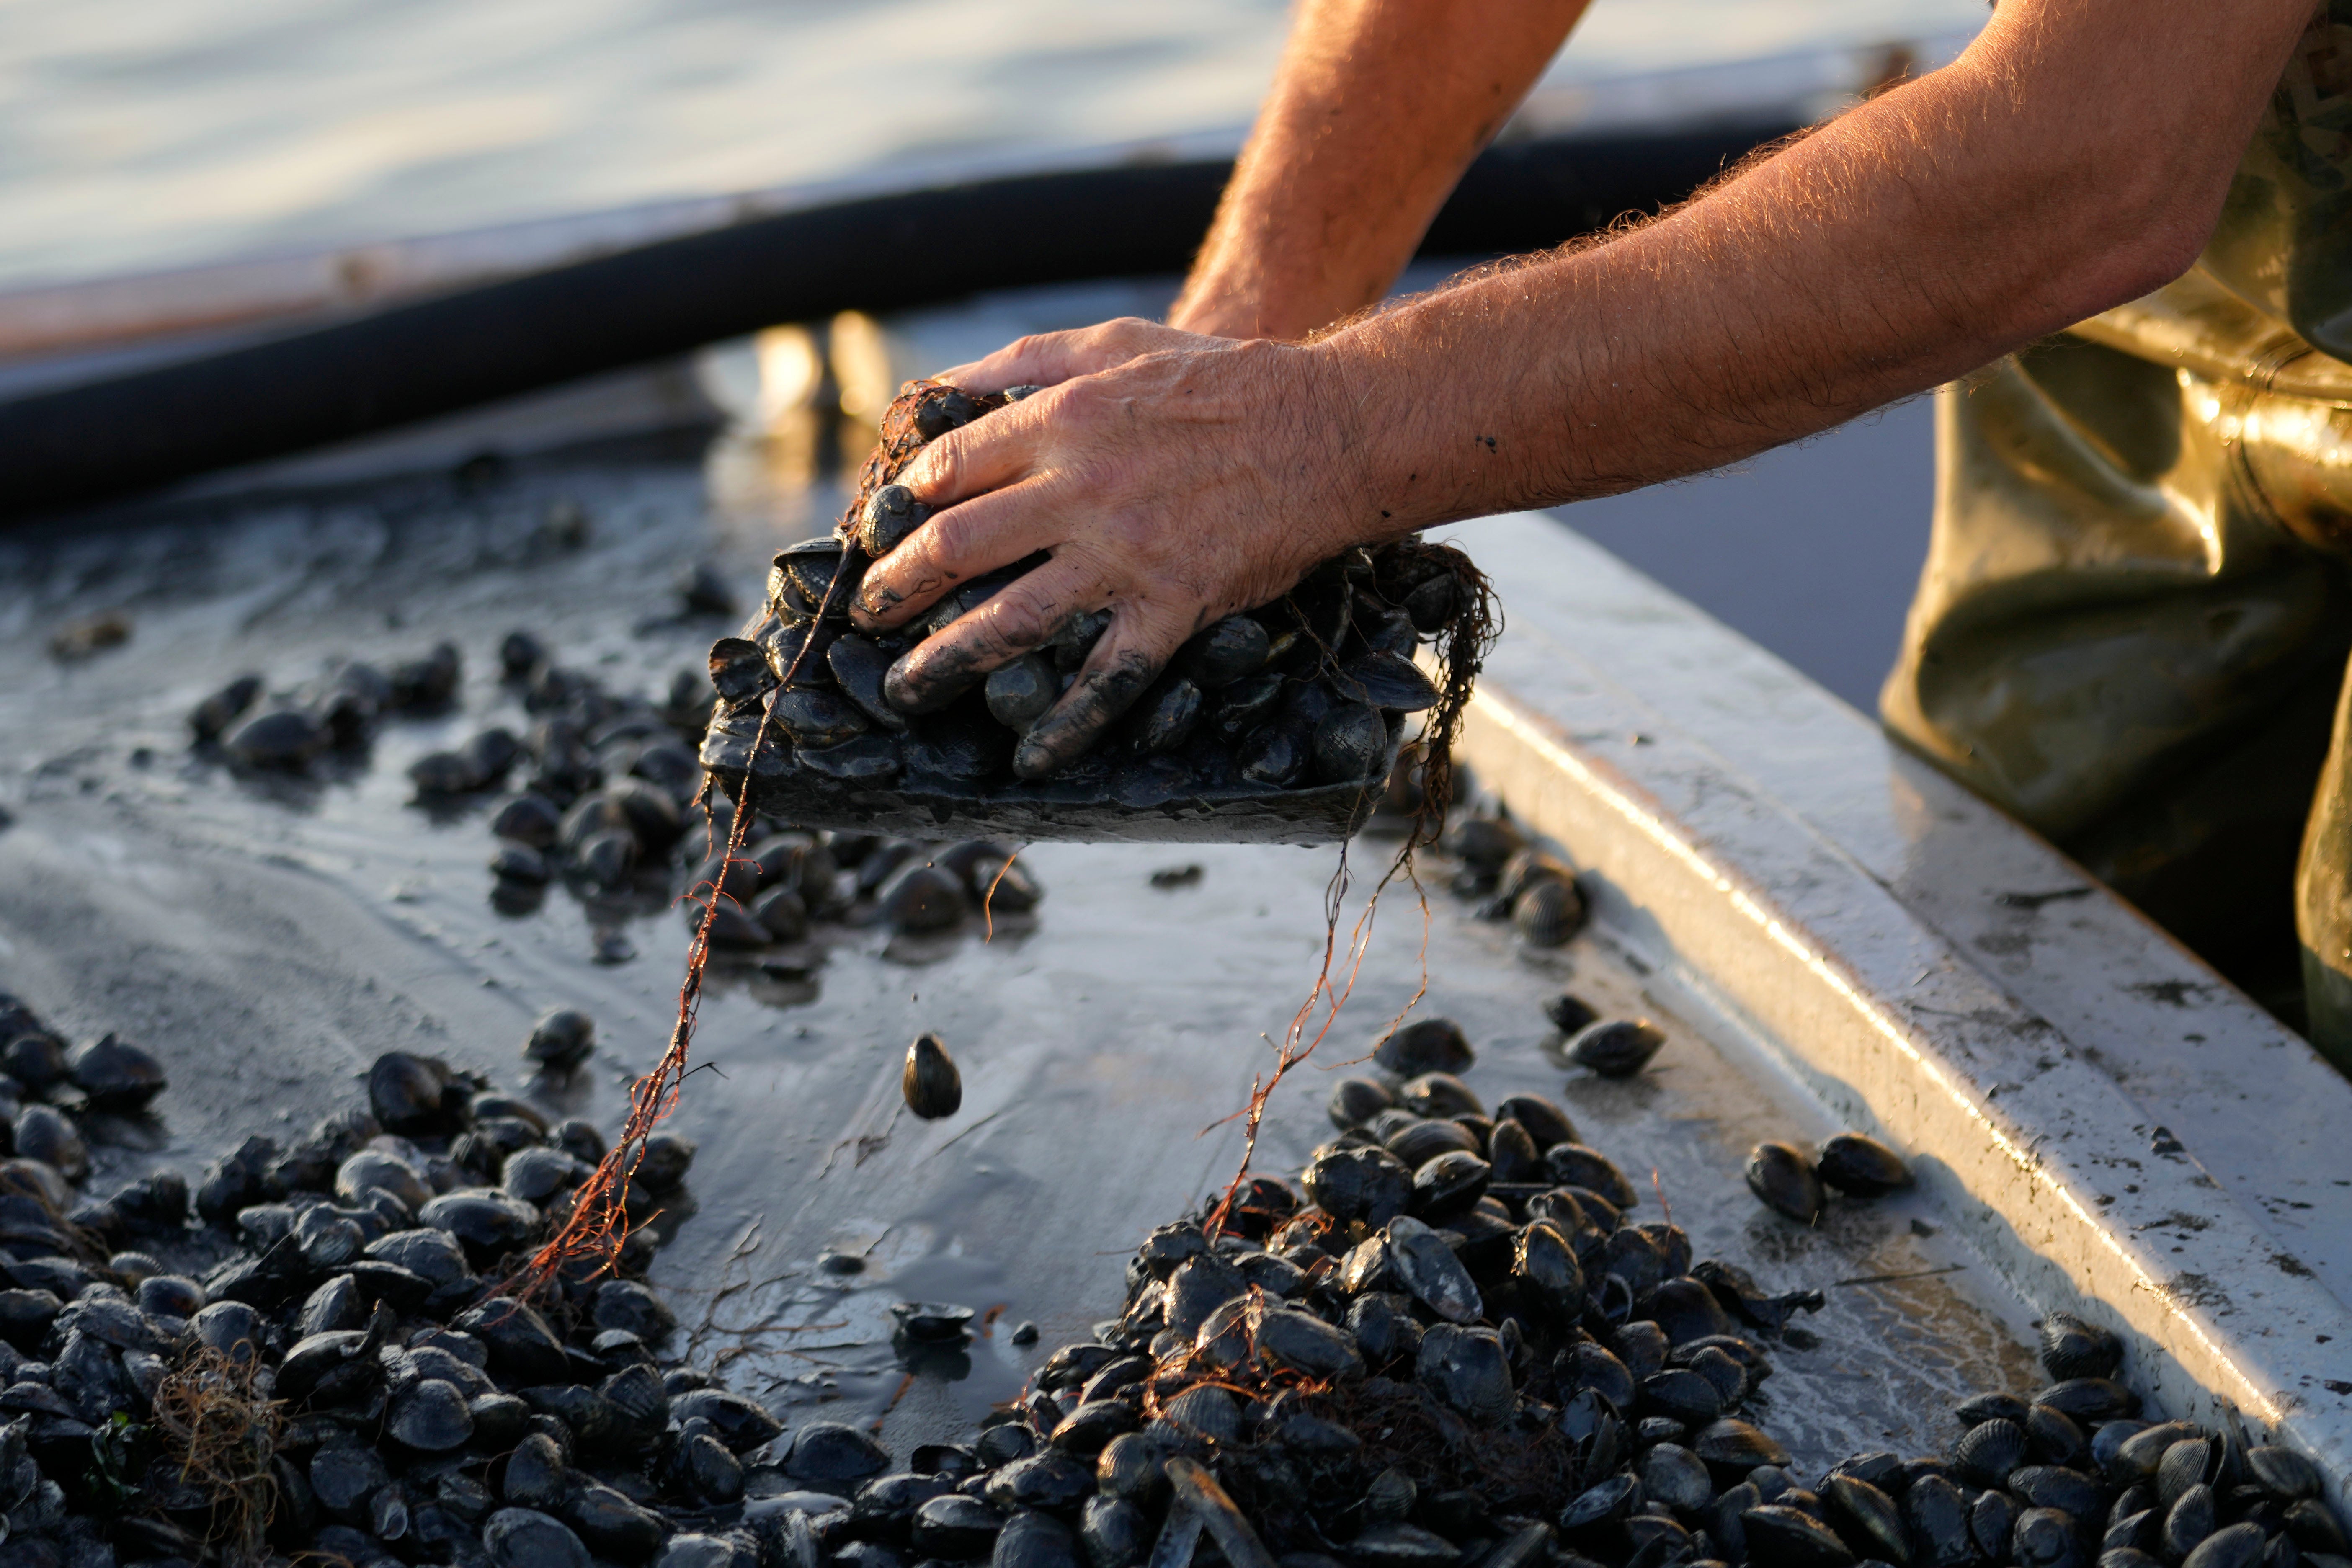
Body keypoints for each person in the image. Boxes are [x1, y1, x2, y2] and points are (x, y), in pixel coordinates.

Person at [847, 0, 2352, 1065]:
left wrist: (1313, 436)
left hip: (2110, 174)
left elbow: (2085, 163)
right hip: (2182, 286)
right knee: (2026, 973)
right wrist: (1240, 343)